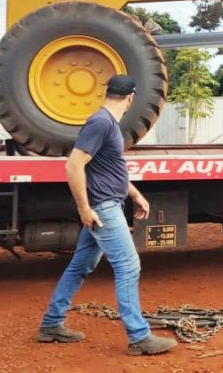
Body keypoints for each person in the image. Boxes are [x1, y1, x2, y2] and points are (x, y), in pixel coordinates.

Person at [37, 75, 177, 356]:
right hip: (103, 208)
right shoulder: (101, 122)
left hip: (104, 204)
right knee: (128, 266)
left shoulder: (106, 123)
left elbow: (110, 168)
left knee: (81, 265)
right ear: (131, 98)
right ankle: (139, 337)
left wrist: (135, 194)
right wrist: (84, 209)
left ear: (108, 93)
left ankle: (51, 323)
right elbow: (73, 166)